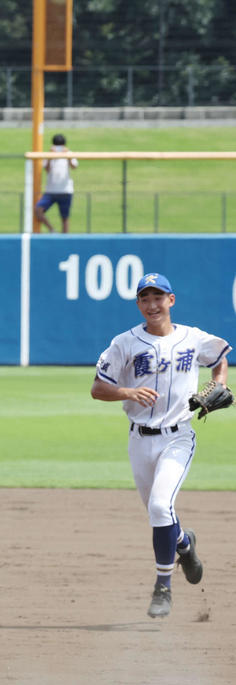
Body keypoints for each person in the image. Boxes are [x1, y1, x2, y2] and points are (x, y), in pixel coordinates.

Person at [90, 273, 229, 618]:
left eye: (158, 297)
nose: (152, 305)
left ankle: (163, 587)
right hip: (139, 440)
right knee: (159, 513)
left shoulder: (192, 338)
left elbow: (219, 359)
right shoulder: (125, 343)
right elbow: (98, 388)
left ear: (171, 300)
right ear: (139, 304)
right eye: (145, 299)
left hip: (178, 437)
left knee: (159, 506)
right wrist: (126, 391)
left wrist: (219, 384)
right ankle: (185, 544)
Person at [36, 134, 78, 234]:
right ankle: (52, 230)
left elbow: (74, 166)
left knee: (65, 217)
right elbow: (47, 169)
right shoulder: (49, 154)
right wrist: (51, 156)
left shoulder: (69, 153)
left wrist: (67, 156)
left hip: (65, 190)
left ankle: (65, 238)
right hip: (51, 191)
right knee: (38, 210)